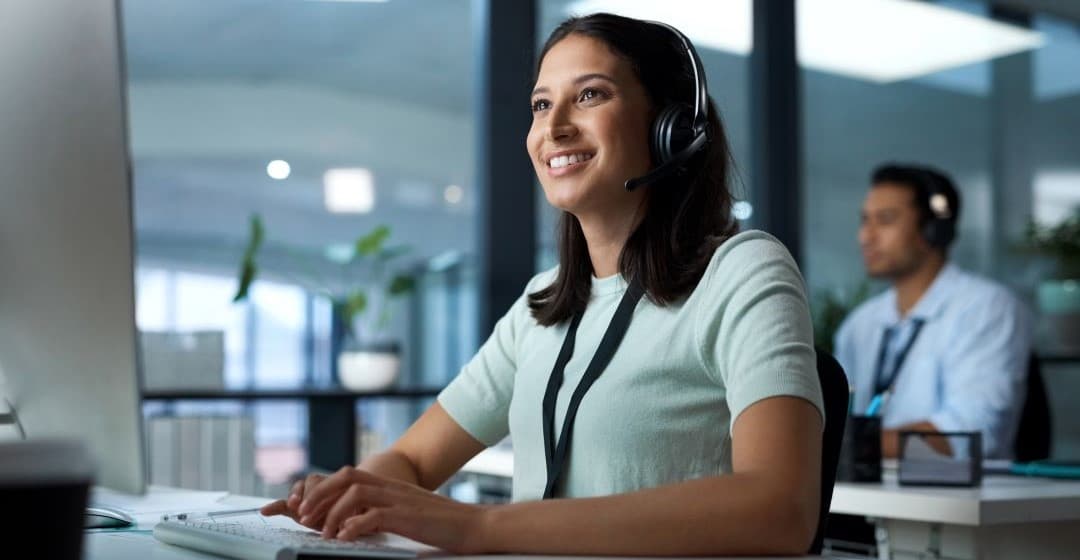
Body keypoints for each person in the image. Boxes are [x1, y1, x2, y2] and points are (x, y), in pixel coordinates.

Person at [261, 13, 825, 556]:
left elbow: (780, 506)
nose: (553, 128)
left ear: (670, 127)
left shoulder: (743, 271)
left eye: (590, 95)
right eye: (540, 104)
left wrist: (481, 527)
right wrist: (352, 496)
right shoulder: (542, 306)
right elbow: (411, 461)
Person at [834, 163, 1033, 459]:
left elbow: (972, 434)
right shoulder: (859, 325)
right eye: (865, 220)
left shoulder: (987, 308)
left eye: (885, 220)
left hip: (956, 502)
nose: (866, 236)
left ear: (933, 230)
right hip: (865, 498)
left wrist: (839, 444)